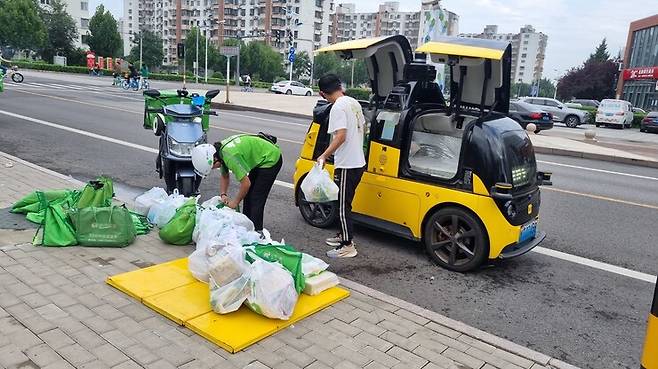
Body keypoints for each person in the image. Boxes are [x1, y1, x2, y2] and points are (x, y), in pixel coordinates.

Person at [316, 73, 366, 258]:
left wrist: (323, 155)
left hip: (347, 163)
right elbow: (363, 127)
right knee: (344, 201)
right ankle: (342, 234)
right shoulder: (353, 102)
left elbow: (341, 136)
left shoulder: (337, 107)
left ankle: (347, 244)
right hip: (358, 161)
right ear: (340, 86)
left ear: (323, 94)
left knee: (343, 205)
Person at [191, 135, 282, 231]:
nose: (214, 168)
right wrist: (223, 194)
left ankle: (257, 231)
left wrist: (235, 202)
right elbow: (225, 176)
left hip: (271, 158)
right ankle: (247, 225)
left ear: (214, 159)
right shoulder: (220, 153)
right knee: (248, 195)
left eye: (213, 166)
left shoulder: (230, 157)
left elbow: (246, 184)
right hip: (261, 157)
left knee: (256, 197)